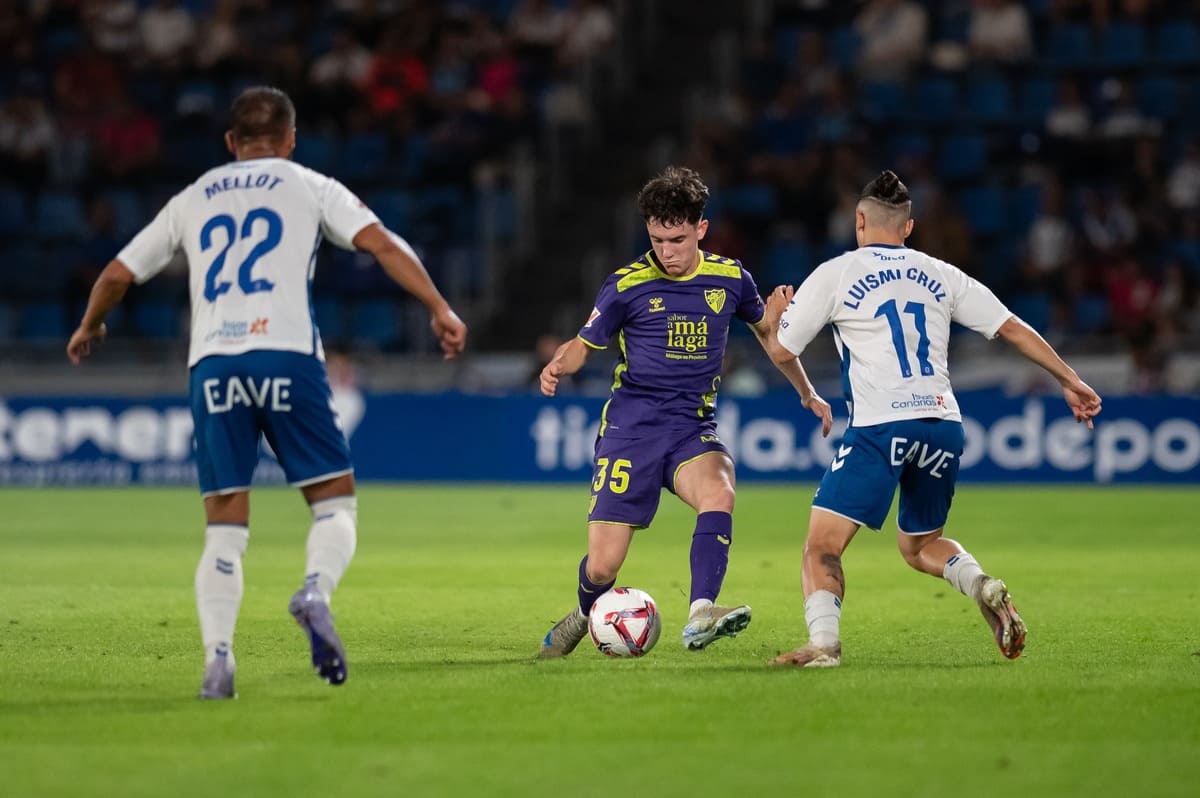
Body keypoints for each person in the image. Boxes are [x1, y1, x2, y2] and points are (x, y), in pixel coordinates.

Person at [66, 86, 467, 698]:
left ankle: (218, 662)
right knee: (334, 505)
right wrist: (438, 307)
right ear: (290, 139)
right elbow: (383, 243)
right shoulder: (310, 185)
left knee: (224, 529)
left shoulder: (194, 195)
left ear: (231, 142)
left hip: (213, 363)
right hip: (285, 354)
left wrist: (91, 324)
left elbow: (118, 273)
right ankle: (315, 591)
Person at [761, 170, 1102, 668]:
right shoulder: (941, 273)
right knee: (920, 546)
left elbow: (782, 350)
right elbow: (1011, 327)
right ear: (908, 227)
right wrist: (1069, 379)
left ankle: (824, 646)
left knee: (821, 547)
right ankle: (981, 583)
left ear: (859, 221)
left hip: (880, 428)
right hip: (942, 424)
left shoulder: (836, 273)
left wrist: (773, 321)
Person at [536, 166, 832, 658]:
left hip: (690, 427)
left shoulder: (730, 278)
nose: (666, 252)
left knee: (720, 489)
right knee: (603, 567)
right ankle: (584, 614)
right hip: (631, 430)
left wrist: (807, 392)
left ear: (701, 229)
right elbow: (583, 345)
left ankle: (700, 613)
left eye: (676, 240)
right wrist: (558, 365)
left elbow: (771, 338)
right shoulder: (626, 284)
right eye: (656, 240)